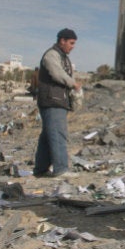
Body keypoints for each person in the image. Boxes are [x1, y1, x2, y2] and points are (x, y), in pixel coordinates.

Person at [33, 28, 82, 179]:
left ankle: (40, 169)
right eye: (71, 43)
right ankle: (61, 169)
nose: (73, 46)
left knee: (48, 135)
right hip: (51, 101)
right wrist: (73, 84)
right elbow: (57, 73)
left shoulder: (64, 58)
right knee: (58, 134)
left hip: (59, 101)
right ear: (62, 41)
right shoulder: (51, 55)